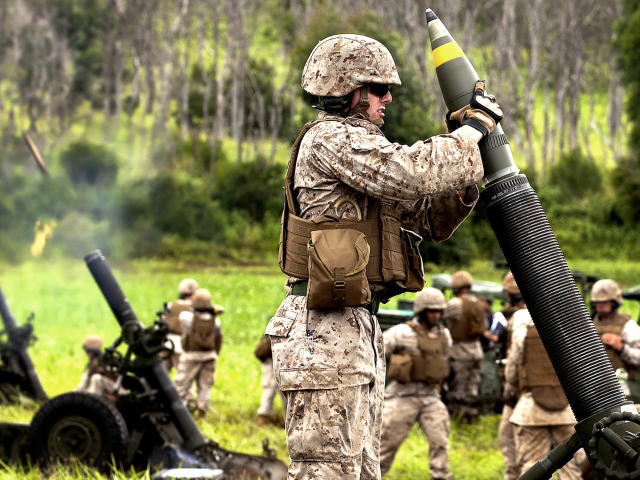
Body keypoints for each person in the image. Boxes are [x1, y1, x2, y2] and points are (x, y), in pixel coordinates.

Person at [265, 33, 502, 479]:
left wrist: (466, 175)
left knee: (359, 471)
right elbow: (409, 173)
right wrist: (469, 133)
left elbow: (429, 222)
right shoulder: (330, 139)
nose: (388, 98)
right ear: (347, 90)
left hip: (353, 327)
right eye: (378, 89)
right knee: (327, 472)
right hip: (323, 330)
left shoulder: (363, 156)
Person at [379, 288, 452, 479]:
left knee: (440, 442)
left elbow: (444, 362)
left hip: (430, 397)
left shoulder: (445, 336)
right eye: (432, 310)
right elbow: (377, 351)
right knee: (385, 445)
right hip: (402, 396)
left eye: (439, 311)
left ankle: (440, 476)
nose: (436, 315)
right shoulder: (402, 333)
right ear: (421, 311)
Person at [505, 308, 580, 480]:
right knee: (570, 468)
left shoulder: (523, 331)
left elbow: (511, 373)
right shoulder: (571, 331)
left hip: (531, 410)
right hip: (567, 411)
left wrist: (522, 390)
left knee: (532, 465)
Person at [174, 288, 223, 418]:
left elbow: (183, 316)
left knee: (182, 383)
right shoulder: (215, 321)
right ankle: (202, 408)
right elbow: (219, 338)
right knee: (205, 384)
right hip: (209, 356)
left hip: (191, 355)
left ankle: (182, 410)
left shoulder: (187, 318)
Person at [442, 270, 485, 420]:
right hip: (477, 350)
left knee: (458, 387)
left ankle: (457, 418)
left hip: (460, 351)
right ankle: (471, 416)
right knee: (472, 386)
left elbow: (439, 315)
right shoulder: (478, 303)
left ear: (455, 288)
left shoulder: (455, 303)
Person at [497, 271, 527, 480]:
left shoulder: (519, 318)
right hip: (527, 389)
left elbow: (515, 359)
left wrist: (510, 389)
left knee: (512, 439)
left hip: (521, 392)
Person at [590, 279, 640, 399]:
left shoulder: (628, 326)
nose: (600, 305)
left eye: (604, 301)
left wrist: (621, 348)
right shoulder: (588, 325)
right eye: (597, 302)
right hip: (593, 389)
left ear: (614, 302)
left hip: (622, 390)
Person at [161, 278, 199, 373]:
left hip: (166, 342)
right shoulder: (195, 308)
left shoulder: (171, 305)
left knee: (160, 374)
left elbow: (162, 320)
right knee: (183, 375)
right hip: (181, 345)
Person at [254, 335, 286, 427]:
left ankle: (290, 417)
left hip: (282, 359)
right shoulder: (279, 324)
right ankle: (263, 418)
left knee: (285, 388)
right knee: (270, 387)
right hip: (269, 358)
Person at [75, 335, 118, 400]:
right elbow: (83, 385)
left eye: (88, 351)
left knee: (96, 379)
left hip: (115, 391)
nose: (87, 354)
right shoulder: (92, 365)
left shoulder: (108, 361)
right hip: (102, 393)